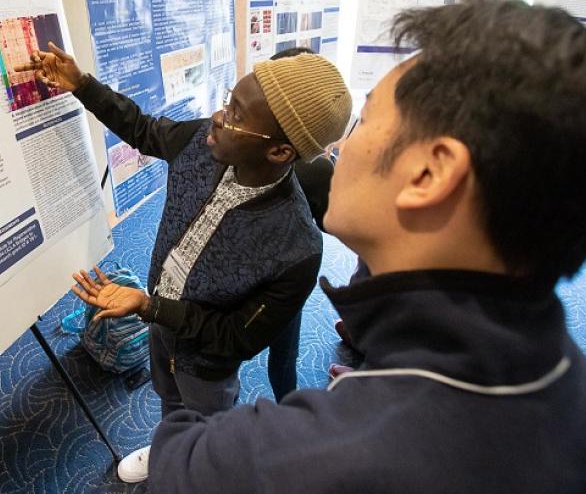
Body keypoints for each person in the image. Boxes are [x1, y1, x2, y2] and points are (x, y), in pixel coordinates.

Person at [78, 0, 586, 493]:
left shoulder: (287, 458)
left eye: (365, 120)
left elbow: (193, 453)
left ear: (429, 174)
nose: (334, 149)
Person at [27, 44, 351, 483]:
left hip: (205, 359)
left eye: (236, 114)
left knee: (206, 419)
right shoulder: (203, 141)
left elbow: (234, 337)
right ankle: (168, 447)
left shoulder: (297, 249)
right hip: (159, 318)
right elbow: (142, 128)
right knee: (167, 397)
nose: (218, 117)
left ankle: (198, 467)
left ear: (279, 152)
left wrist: (149, 308)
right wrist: (82, 84)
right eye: (226, 101)